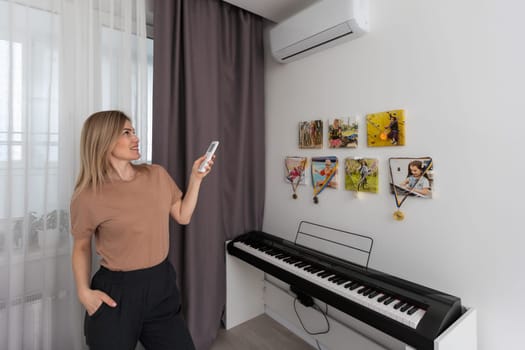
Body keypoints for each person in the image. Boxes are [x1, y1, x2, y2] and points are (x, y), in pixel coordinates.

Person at [70, 110, 215, 350]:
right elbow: (81, 246)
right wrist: (83, 292)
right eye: (127, 133)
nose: (135, 138)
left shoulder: (156, 175)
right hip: (117, 293)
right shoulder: (87, 195)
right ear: (103, 140)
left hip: (161, 285)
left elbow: (183, 215)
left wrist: (196, 179)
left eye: (134, 131)